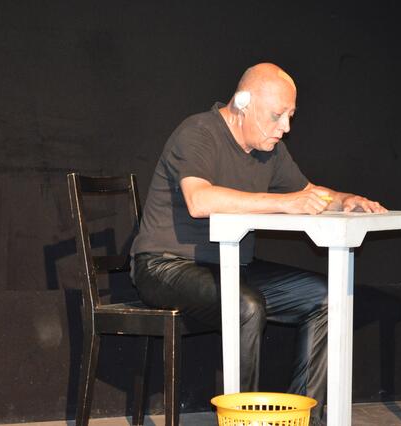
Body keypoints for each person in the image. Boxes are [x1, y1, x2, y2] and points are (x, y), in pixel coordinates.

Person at [130, 62, 387, 425]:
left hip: (231, 265)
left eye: (291, 116)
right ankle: (243, 420)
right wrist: (283, 203)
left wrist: (346, 200)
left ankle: (304, 420)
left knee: (328, 297)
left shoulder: (270, 150)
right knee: (246, 305)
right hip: (164, 265)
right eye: (277, 115)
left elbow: (308, 192)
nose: (286, 127)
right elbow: (199, 200)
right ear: (242, 103)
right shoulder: (198, 132)